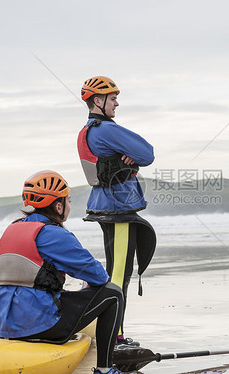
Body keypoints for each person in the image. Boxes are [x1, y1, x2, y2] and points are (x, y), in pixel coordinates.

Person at [0, 170, 125, 374]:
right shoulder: (53, 233)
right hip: (35, 324)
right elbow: (99, 276)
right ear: (58, 206)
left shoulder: (12, 229)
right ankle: (104, 369)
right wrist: (87, 285)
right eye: (68, 200)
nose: (69, 205)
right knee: (113, 293)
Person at [77, 76, 156, 346]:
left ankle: (109, 329)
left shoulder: (90, 129)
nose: (117, 103)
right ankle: (115, 336)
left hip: (107, 206)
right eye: (112, 99)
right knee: (119, 274)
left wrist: (132, 156)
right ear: (97, 101)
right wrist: (134, 156)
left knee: (116, 270)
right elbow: (148, 153)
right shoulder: (106, 130)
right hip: (118, 209)